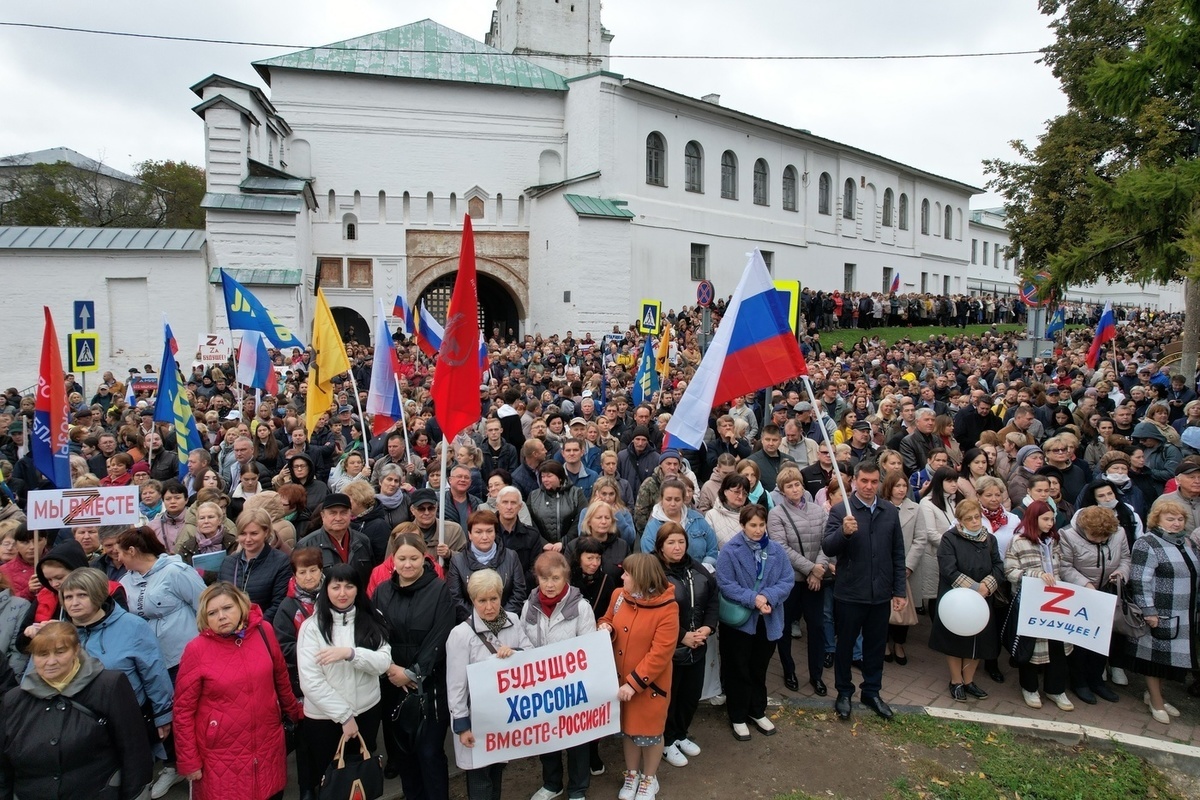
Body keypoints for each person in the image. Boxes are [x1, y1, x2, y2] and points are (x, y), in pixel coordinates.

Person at [174, 582, 302, 800]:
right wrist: (189, 761)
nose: (221, 616)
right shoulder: (196, 650)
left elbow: (280, 676)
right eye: (212, 613)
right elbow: (182, 711)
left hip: (268, 743)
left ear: (241, 606)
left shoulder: (265, 632)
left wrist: (296, 712)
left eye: (227, 608)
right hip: (221, 754)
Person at [0, 622, 152, 800]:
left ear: (76, 650)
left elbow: (134, 752)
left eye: (60, 652)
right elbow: (4, 767)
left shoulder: (109, 686)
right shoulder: (14, 700)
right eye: (42, 654)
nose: (51, 661)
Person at [117, 525, 206, 798]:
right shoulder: (125, 581)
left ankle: (197, 760)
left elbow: (202, 603)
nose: (117, 558)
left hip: (183, 654)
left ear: (132, 551)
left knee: (188, 710)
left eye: (120, 552)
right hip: (149, 658)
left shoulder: (175, 572)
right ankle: (172, 764)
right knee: (161, 712)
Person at [822, 461, 908, 721]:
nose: (869, 486)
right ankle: (844, 692)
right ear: (855, 482)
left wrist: (899, 591)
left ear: (879, 482)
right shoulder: (841, 511)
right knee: (846, 646)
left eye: (873, 482)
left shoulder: (889, 511)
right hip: (850, 592)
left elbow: (897, 552)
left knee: (874, 647)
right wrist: (844, 534)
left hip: (880, 594)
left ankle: (871, 691)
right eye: (864, 481)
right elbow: (828, 547)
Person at [297, 563, 392, 798]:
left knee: (360, 778)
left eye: (349, 586)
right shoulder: (312, 628)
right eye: (336, 586)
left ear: (358, 589)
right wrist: (344, 716)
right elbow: (311, 682)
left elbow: (383, 662)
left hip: (366, 711)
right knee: (332, 782)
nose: (342, 593)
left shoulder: (371, 618)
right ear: (325, 589)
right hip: (325, 720)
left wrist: (351, 654)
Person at [373, 533, 455, 800]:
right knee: (404, 753)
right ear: (393, 560)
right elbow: (375, 635)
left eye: (414, 558)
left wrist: (413, 672)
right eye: (402, 558)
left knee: (429, 752)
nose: (408, 565)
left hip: (429, 687)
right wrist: (390, 669)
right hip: (393, 685)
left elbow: (440, 635)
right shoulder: (382, 591)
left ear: (424, 558)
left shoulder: (439, 589)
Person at [60, 567, 175, 749]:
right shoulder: (59, 633)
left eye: (82, 595)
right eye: (68, 597)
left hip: (128, 719)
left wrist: (162, 715)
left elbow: (154, 674)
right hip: (77, 725)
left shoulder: (132, 626)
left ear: (98, 595)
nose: (74, 602)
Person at [446, 569, 534, 800]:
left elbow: (532, 655)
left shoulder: (513, 621)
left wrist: (515, 653)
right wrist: (462, 726)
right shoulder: (461, 635)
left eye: (493, 599)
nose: (488, 607)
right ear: (472, 600)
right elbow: (456, 686)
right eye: (481, 601)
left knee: (497, 770)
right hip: (476, 717)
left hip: (504, 715)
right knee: (479, 777)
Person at [597, 554, 678, 800]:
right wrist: (605, 626)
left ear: (641, 577)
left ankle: (649, 779)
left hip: (649, 686)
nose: (622, 577)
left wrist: (634, 683)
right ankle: (631, 774)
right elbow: (607, 617)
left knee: (650, 733)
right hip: (620, 682)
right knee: (629, 731)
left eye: (627, 574)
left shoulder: (668, 608)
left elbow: (660, 653)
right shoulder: (619, 596)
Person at [521, 552, 597, 800]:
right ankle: (552, 783)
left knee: (577, 738)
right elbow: (523, 640)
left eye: (555, 578)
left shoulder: (581, 607)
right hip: (542, 685)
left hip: (573, 686)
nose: (550, 584)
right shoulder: (528, 605)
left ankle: (577, 788)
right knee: (547, 735)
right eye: (544, 578)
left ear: (566, 578)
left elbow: (588, 648)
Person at [714, 503, 793, 743]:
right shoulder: (730, 550)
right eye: (753, 525)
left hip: (767, 620)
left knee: (759, 667)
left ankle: (756, 710)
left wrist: (767, 597)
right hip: (739, 623)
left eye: (761, 525)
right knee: (738, 668)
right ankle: (737, 715)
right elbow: (725, 583)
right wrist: (753, 599)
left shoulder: (777, 551)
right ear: (742, 525)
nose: (758, 530)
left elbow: (787, 580)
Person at [653, 523, 718, 768]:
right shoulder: (654, 572)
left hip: (697, 647)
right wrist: (681, 636)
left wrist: (708, 627)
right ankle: (666, 741)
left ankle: (680, 734)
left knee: (690, 697)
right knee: (670, 698)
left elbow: (713, 598)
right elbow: (654, 613)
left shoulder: (697, 568)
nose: (677, 547)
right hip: (669, 651)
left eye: (681, 542)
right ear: (660, 547)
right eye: (671, 543)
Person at [1128, 499, 1198, 724]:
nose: (1176, 523)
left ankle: (1157, 696)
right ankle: (1156, 702)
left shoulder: (1186, 542)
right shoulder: (1147, 542)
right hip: (1160, 611)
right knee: (1154, 658)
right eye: (1170, 519)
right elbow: (1139, 580)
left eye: (1180, 519)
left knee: (1167, 659)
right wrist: (1149, 611)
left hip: (1184, 612)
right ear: (1157, 520)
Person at [927, 500, 1003, 702]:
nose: (975, 521)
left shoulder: (990, 540)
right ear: (959, 521)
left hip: (982, 598)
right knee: (955, 640)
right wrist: (974, 588)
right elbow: (948, 569)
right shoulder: (950, 539)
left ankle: (969, 681)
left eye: (977, 517)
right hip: (956, 598)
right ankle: (956, 680)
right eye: (969, 518)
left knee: (978, 640)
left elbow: (998, 565)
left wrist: (987, 585)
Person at [1004, 500, 1074, 712]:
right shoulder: (1018, 541)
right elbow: (1010, 571)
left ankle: (1055, 689)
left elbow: (1061, 567)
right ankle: (1030, 687)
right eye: (1045, 519)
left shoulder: (1054, 541)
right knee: (1031, 646)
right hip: (1031, 602)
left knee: (1057, 646)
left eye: (1051, 519)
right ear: (1033, 519)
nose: (1049, 523)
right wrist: (1035, 575)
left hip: (1055, 602)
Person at [766, 465, 829, 694]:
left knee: (817, 627)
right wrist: (812, 568)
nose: (795, 489)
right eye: (789, 486)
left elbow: (826, 541)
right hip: (790, 581)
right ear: (782, 491)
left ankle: (817, 674)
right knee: (783, 628)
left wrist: (819, 569)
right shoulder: (776, 514)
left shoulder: (818, 511)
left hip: (816, 580)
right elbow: (782, 548)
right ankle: (788, 669)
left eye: (798, 484)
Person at [1058, 506, 1128, 705]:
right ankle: (1079, 681)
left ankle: (1097, 680)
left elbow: (1125, 558)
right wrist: (1085, 584)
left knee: (1102, 639)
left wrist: (1121, 574)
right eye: (1095, 537)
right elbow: (1065, 566)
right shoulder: (1067, 536)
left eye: (1105, 538)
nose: (1101, 541)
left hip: (1107, 590)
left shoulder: (1119, 533)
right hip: (1080, 593)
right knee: (1080, 641)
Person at [446, 509, 528, 624]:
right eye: (478, 532)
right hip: (472, 626)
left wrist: (501, 620)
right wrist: (479, 621)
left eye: (489, 531)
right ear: (469, 534)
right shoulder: (457, 561)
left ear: (495, 532)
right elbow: (456, 598)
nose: (485, 537)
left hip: (507, 622)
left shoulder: (511, 556)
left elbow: (519, 592)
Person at [217, 508, 291, 622]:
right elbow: (219, 598)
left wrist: (253, 626)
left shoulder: (281, 562)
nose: (247, 539)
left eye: (254, 533)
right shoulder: (228, 562)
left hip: (261, 629)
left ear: (266, 532)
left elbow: (278, 604)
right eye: (242, 533)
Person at [910, 466, 960, 619]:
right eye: (949, 481)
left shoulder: (955, 501)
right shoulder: (927, 502)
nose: (954, 484)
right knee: (936, 595)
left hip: (953, 556)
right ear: (939, 482)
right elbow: (930, 533)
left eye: (955, 480)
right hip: (934, 555)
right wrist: (954, 546)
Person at [295, 493, 375, 585]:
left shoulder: (363, 541)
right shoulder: (307, 545)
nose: (338, 518)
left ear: (350, 514)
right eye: (332, 513)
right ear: (323, 515)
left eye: (343, 513)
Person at [882, 471, 919, 666]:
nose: (902, 490)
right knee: (884, 607)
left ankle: (899, 643)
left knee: (903, 606)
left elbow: (920, 539)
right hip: (883, 566)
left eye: (904, 486)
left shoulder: (915, 508)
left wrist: (909, 565)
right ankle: (885, 643)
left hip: (904, 567)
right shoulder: (881, 507)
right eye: (897, 486)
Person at [641, 478, 718, 568]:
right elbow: (650, 559)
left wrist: (703, 569)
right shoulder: (653, 527)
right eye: (668, 499)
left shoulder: (697, 519)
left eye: (677, 499)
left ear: (683, 499)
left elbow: (713, 549)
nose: (673, 504)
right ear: (661, 499)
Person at [704, 473, 752, 548]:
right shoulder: (711, 515)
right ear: (725, 491)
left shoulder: (752, 514)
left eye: (745, 493)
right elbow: (710, 547)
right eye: (737, 492)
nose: (741, 496)